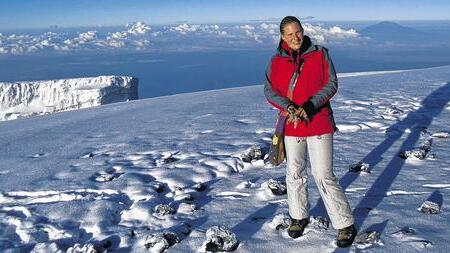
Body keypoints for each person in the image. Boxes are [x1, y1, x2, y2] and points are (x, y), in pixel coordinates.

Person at [264, 16, 357, 247]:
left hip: (319, 122)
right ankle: (298, 217)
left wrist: (310, 105)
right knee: (294, 172)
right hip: (292, 123)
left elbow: (331, 84)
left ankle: (344, 224)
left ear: (303, 31)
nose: (296, 37)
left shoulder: (319, 53)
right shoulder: (276, 61)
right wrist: (289, 106)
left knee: (323, 174)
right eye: (290, 34)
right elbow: (270, 90)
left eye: (298, 32)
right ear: (282, 36)